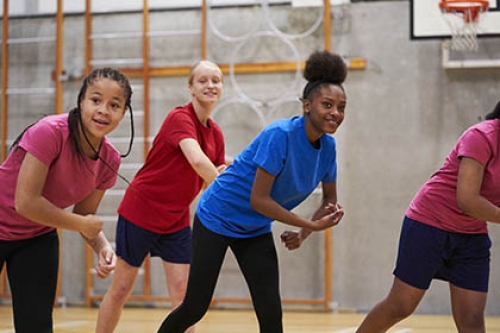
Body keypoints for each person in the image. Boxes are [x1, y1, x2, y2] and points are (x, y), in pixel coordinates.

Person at [156, 50, 347, 333]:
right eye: (327, 105)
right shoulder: (279, 135)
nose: (335, 113)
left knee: (271, 312)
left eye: (341, 107)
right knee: (195, 306)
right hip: (217, 216)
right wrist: (309, 223)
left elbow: (330, 199)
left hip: (254, 228)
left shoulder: (328, 148)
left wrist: (303, 233)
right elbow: (259, 200)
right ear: (307, 105)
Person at [96, 60, 226, 333]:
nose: (210, 85)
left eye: (216, 80)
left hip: (176, 218)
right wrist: (225, 182)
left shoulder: (216, 134)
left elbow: (210, 180)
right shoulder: (180, 117)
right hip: (141, 210)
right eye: (203, 80)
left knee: (184, 297)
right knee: (120, 289)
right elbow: (199, 163)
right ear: (190, 87)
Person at [0, 67, 134, 333]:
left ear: (124, 113)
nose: (104, 110)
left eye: (114, 105)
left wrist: (102, 247)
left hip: (36, 237)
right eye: (96, 100)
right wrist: (82, 225)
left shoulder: (110, 158)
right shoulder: (49, 131)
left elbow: (84, 215)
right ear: (81, 101)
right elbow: (25, 202)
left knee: (36, 325)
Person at [355, 101, 500, 333]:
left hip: (472, 235)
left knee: (472, 320)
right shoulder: (481, 136)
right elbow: (468, 199)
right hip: (429, 223)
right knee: (401, 305)